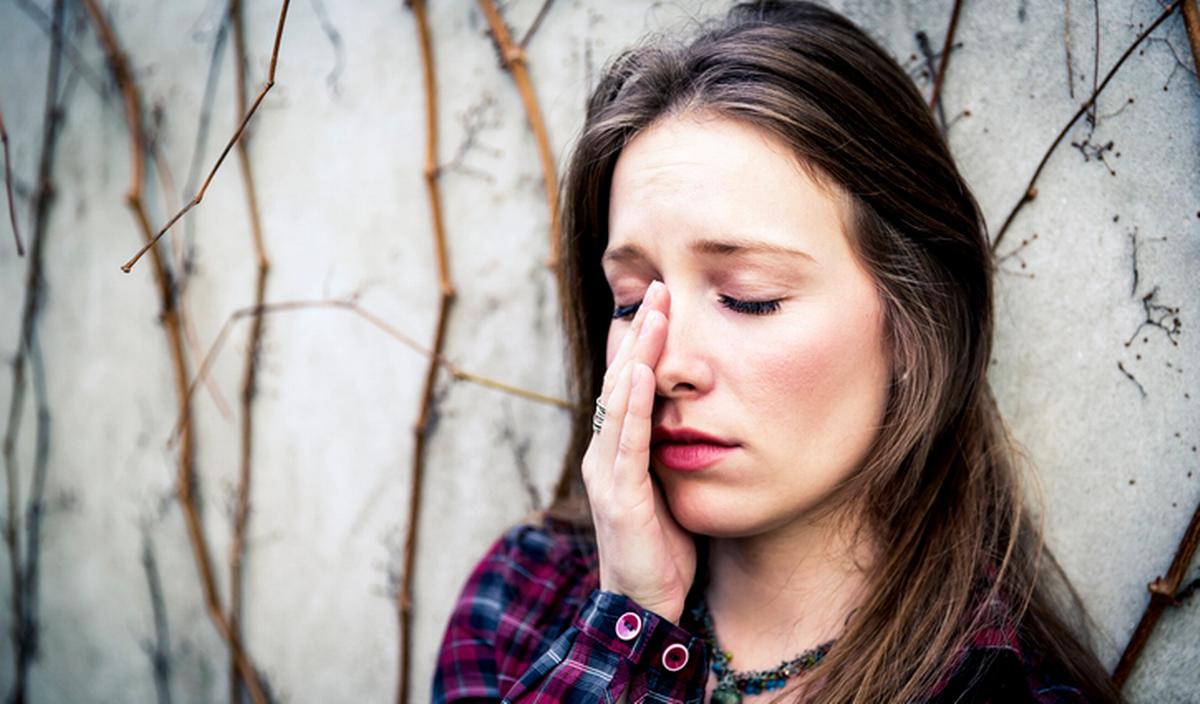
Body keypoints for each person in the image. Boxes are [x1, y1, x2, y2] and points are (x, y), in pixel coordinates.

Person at [433, 2, 1126, 702]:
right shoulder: (523, 602)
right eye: (631, 302)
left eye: (749, 297)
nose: (667, 365)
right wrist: (627, 628)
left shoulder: (1002, 690)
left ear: (918, 323)